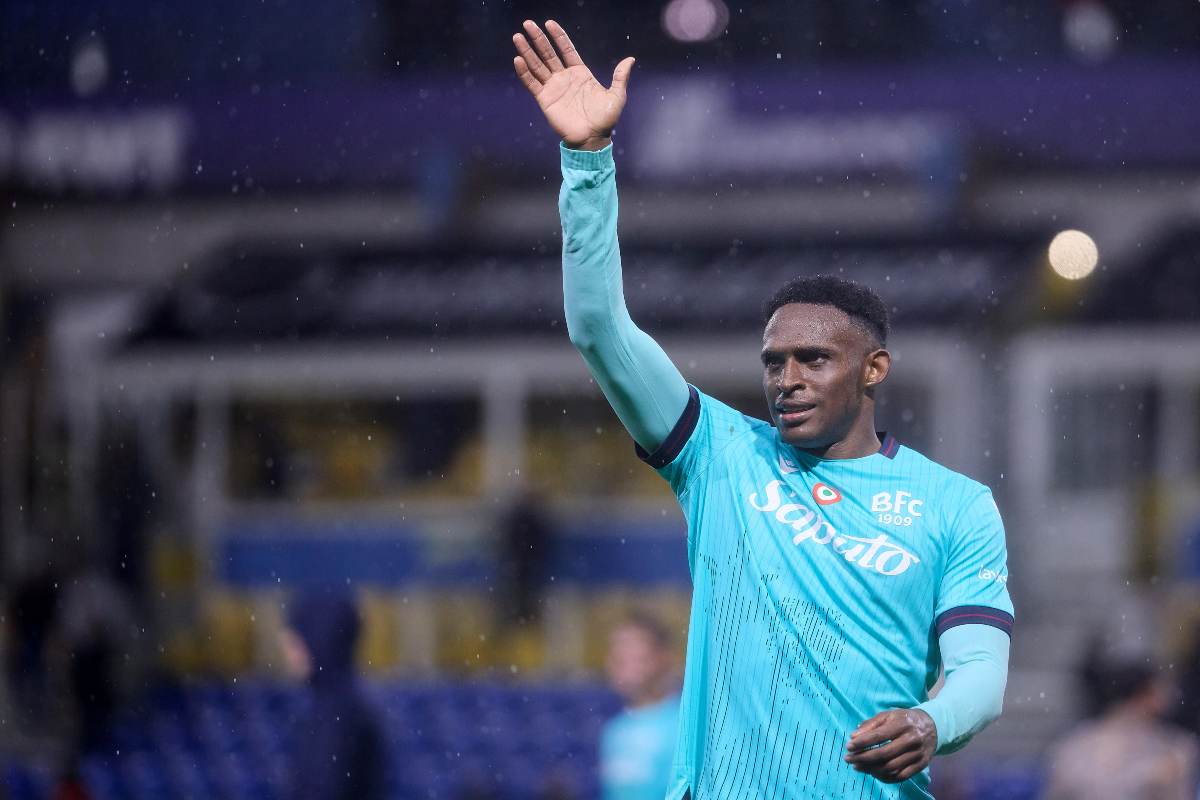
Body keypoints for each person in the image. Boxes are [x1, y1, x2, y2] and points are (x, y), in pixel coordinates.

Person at [511, 20, 1013, 799]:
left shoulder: (956, 507)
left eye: (814, 359)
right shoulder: (719, 454)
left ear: (873, 368)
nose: (787, 379)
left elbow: (981, 672)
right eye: (774, 363)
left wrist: (931, 722)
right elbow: (600, 329)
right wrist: (587, 164)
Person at [281, 588, 389, 800]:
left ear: (319, 640)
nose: (289, 654)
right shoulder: (335, 703)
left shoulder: (340, 711)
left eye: (296, 643)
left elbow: (324, 789)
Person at [1042, 658, 1198, 800]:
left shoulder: (1072, 744)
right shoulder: (1074, 746)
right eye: (1161, 689)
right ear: (1146, 694)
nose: (1170, 694)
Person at [600, 612, 682, 800]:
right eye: (616, 646)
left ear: (662, 656)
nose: (620, 655)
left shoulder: (685, 724)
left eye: (632, 646)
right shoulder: (613, 730)